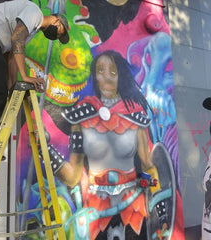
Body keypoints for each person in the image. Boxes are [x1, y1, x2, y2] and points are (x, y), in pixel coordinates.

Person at [43, 50, 168, 239]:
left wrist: (160, 209)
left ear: (120, 76)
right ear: (95, 76)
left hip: (133, 207)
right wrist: (45, 150)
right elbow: (72, 176)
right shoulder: (82, 114)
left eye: (113, 71)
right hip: (95, 210)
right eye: (100, 70)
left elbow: (148, 167)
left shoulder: (135, 113)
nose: (107, 76)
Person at [0, 0, 70, 159]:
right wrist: (25, 77)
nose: (57, 36)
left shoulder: (32, 30)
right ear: (56, 21)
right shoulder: (34, 12)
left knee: (0, 95)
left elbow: (12, 57)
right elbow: (17, 40)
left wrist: (11, 87)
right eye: (60, 32)